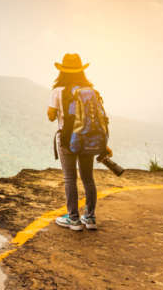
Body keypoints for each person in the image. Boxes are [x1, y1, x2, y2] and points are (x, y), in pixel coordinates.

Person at [47, 53, 111, 231]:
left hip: (68, 139)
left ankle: (73, 219)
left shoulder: (58, 91)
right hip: (88, 139)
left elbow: (51, 116)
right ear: (81, 71)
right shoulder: (90, 91)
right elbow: (98, 119)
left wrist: (55, 109)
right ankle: (90, 218)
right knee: (88, 178)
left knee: (70, 178)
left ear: (62, 71)